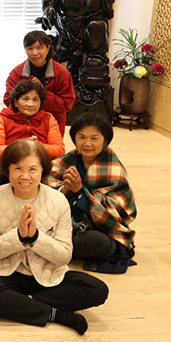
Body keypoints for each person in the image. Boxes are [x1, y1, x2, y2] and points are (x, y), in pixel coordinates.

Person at [0, 140, 109, 335]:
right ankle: (56, 314)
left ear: (43, 171)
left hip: (47, 273)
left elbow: (64, 255)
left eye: (32, 169)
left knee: (97, 289)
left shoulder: (58, 200)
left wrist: (35, 238)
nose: (25, 176)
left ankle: (20, 303)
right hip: (5, 272)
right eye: (17, 168)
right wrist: (19, 236)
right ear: (7, 170)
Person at [46, 112, 136, 270]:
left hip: (99, 230)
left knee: (99, 242)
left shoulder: (114, 169)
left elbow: (120, 212)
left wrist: (80, 192)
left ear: (105, 141)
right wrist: (65, 188)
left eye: (94, 138)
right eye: (81, 137)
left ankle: (54, 249)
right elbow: (45, 188)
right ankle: (56, 248)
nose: (87, 143)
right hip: (66, 224)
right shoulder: (66, 161)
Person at [4, 30, 75, 134]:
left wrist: (42, 92)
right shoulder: (17, 72)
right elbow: (8, 99)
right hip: (21, 125)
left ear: (48, 48)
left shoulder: (61, 73)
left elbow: (66, 104)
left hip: (51, 127)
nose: (34, 53)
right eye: (30, 48)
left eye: (39, 48)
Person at [0, 79, 65, 162]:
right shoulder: (2, 119)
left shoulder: (48, 118)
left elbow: (60, 150)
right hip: (11, 165)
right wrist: (22, 147)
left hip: (40, 165)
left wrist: (37, 146)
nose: (30, 104)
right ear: (16, 102)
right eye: (25, 99)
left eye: (35, 100)